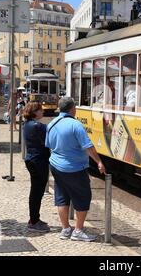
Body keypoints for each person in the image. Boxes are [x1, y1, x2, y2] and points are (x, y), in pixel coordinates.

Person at [45, 97, 106, 241]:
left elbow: (49, 145)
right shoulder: (75, 125)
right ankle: (78, 230)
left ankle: (65, 229)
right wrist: (99, 162)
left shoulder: (51, 124)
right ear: (72, 108)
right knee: (82, 198)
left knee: (61, 198)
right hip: (75, 168)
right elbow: (88, 146)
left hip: (56, 166)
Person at [23, 102, 51, 232]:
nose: (43, 112)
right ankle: (34, 221)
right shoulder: (38, 126)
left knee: (35, 190)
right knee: (37, 192)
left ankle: (34, 218)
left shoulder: (27, 124)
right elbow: (48, 141)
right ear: (35, 111)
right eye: (40, 110)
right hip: (39, 160)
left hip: (31, 159)